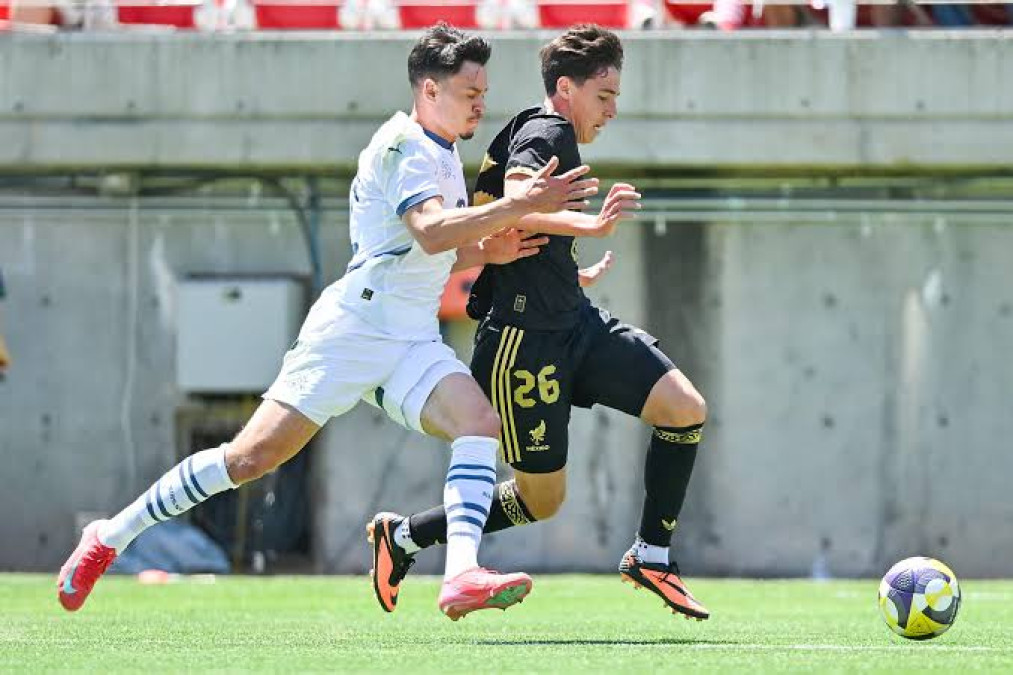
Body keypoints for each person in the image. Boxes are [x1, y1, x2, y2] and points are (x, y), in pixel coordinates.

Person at [56, 22, 597, 621]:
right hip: (353, 331)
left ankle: (461, 574)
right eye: (470, 92)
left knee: (478, 422)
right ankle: (110, 536)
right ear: (429, 91)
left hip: (410, 336)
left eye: (483, 92)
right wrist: (515, 207)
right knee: (248, 460)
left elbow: (435, 247)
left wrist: (489, 251)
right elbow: (429, 230)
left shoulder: (442, 152)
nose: (480, 103)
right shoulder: (402, 145)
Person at [368, 25, 711, 622]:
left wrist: (566, 272)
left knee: (683, 407)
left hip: (573, 323)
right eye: (604, 96)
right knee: (542, 500)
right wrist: (591, 226)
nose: (611, 111)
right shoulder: (546, 130)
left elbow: (519, 227)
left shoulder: (542, 132)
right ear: (566, 88)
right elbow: (522, 195)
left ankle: (651, 554)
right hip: (523, 344)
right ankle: (404, 538)